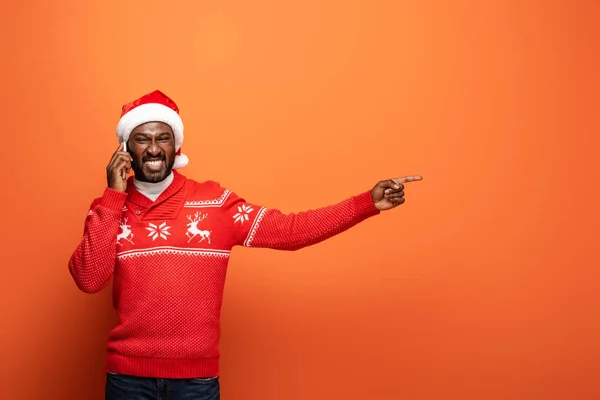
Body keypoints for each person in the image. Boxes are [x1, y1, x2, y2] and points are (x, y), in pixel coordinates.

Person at [68, 90, 422, 400]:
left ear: (176, 146)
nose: (154, 148)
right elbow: (89, 279)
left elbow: (291, 230)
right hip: (127, 381)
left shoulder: (215, 203)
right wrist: (113, 194)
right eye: (142, 139)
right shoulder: (110, 209)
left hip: (196, 382)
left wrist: (366, 203)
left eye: (163, 138)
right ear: (125, 149)